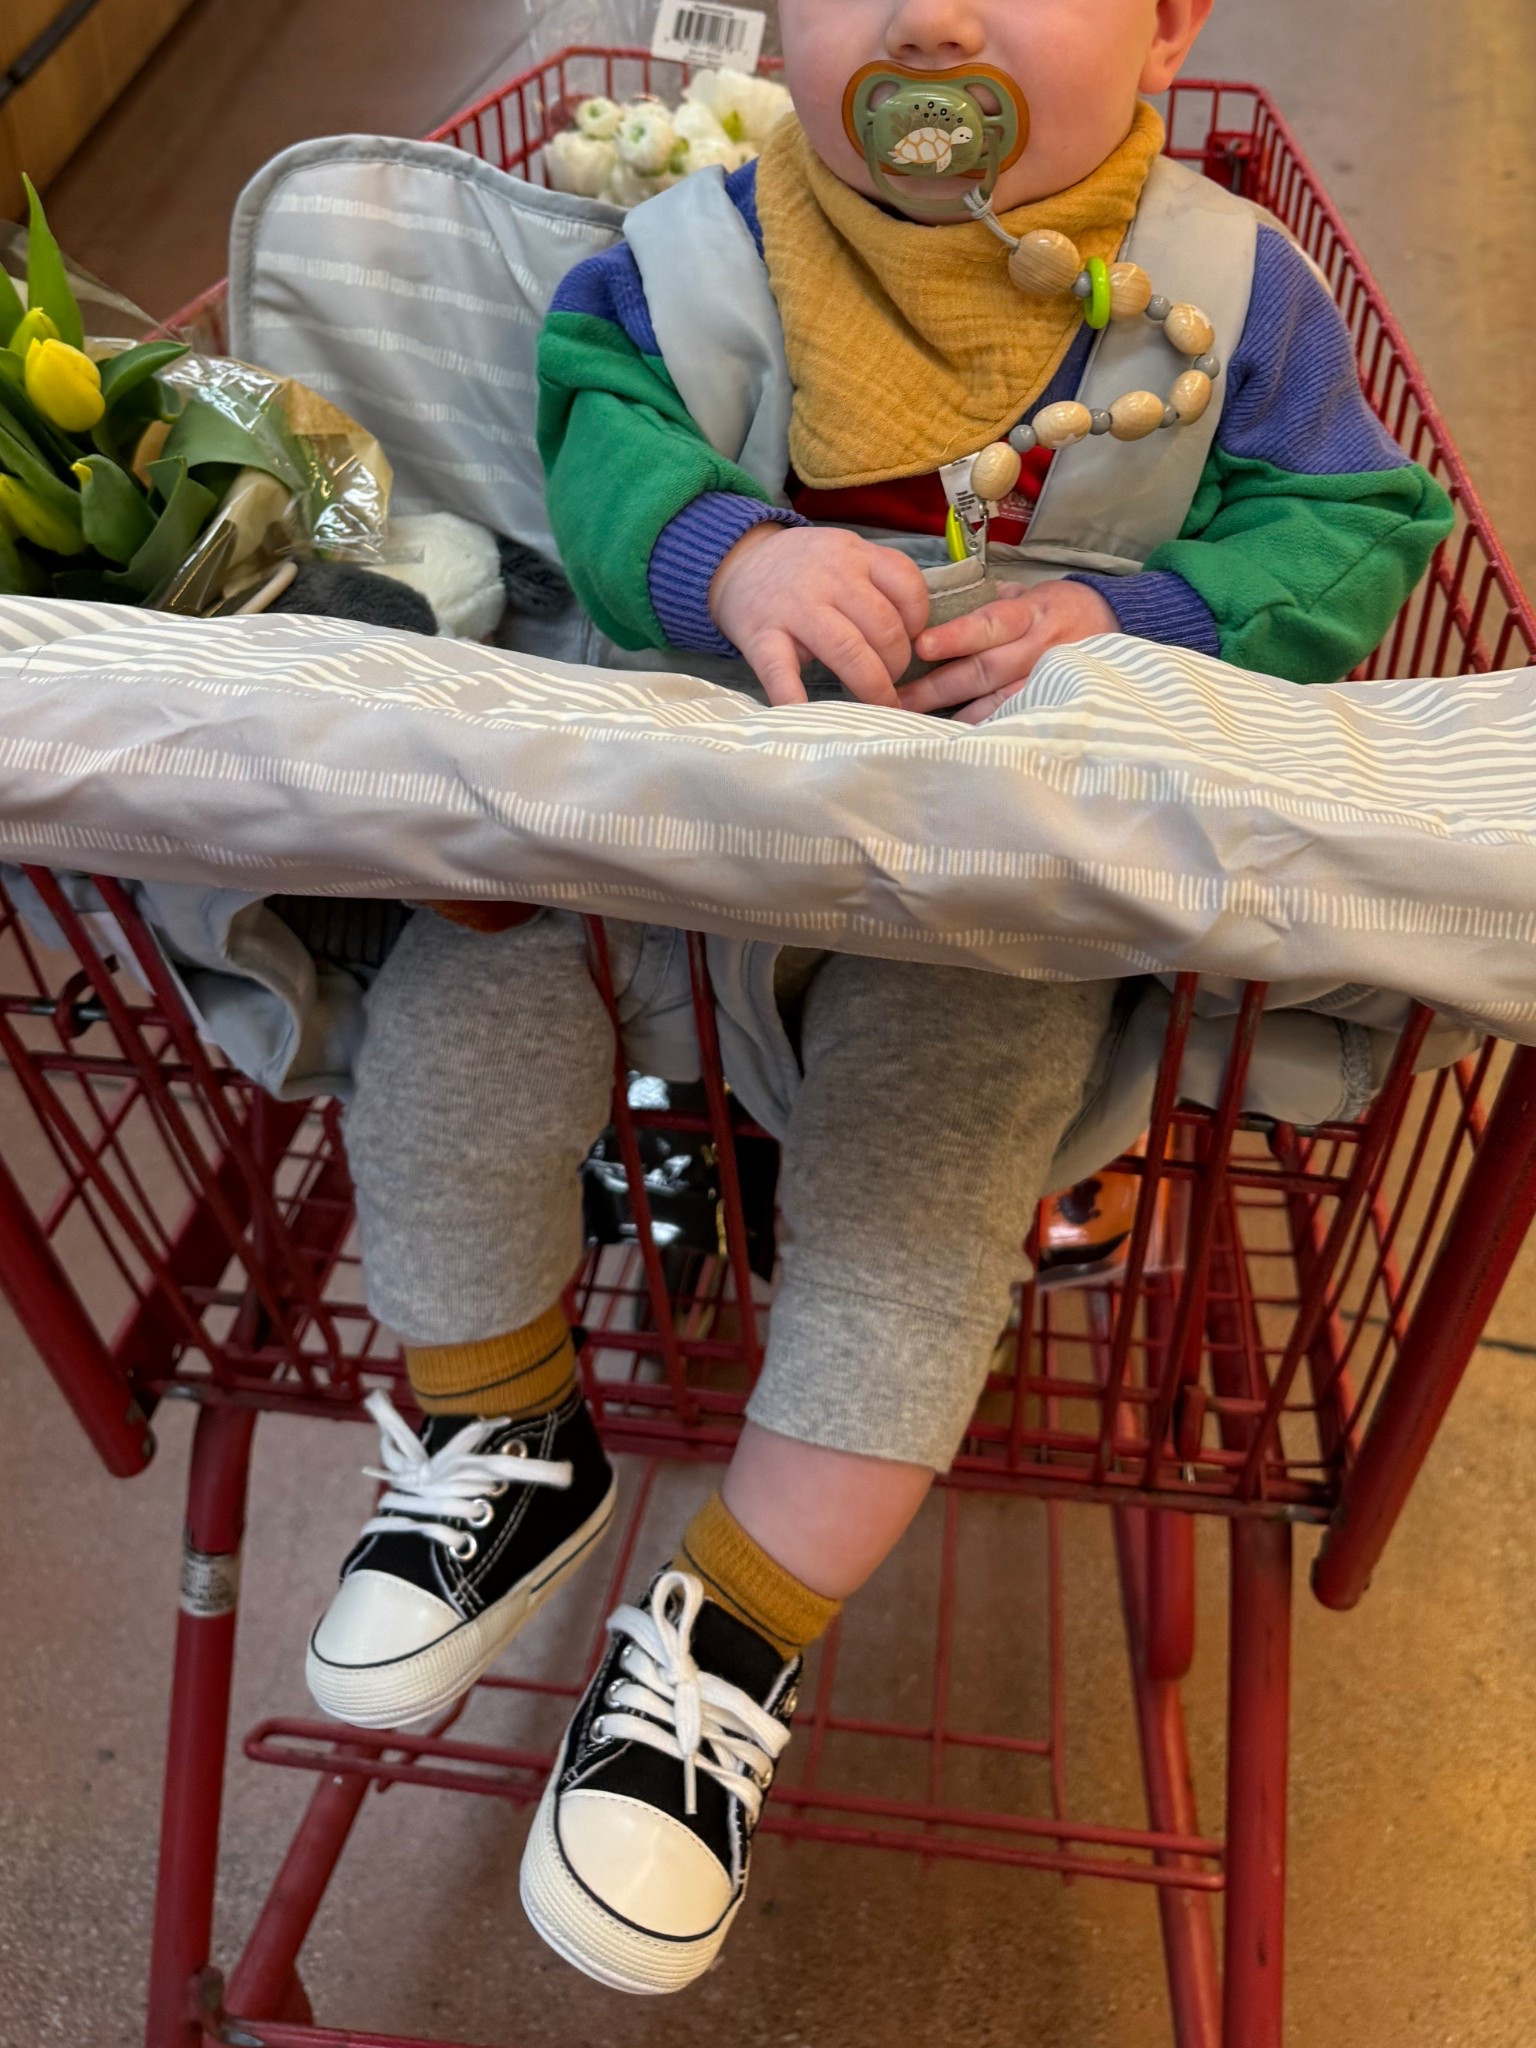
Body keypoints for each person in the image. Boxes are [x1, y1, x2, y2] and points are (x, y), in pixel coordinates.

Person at [306, 0, 1452, 1995]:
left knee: (925, 1200)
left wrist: (1141, 611)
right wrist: (721, 554)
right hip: (666, 849)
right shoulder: (686, 254)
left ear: (1174, 19)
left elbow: (1344, 521)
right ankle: (504, 1432)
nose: (932, 20)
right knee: (457, 989)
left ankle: (731, 1630)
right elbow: (597, 418)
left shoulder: (1222, 299)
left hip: (980, 909)